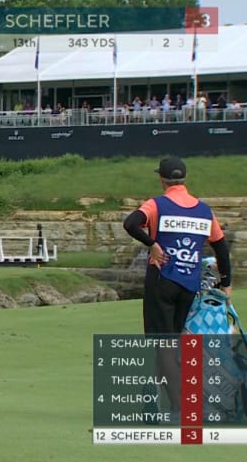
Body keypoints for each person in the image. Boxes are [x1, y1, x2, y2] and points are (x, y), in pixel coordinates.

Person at [122, 156, 232, 417]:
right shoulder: (204, 210)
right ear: (184, 179)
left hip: (162, 281)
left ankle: (178, 406)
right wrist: (226, 283)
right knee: (170, 342)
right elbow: (220, 246)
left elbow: (130, 224)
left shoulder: (157, 205)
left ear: (162, 179)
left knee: (164, 345)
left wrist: (152, 244)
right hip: (189, 284)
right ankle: (152, 398)